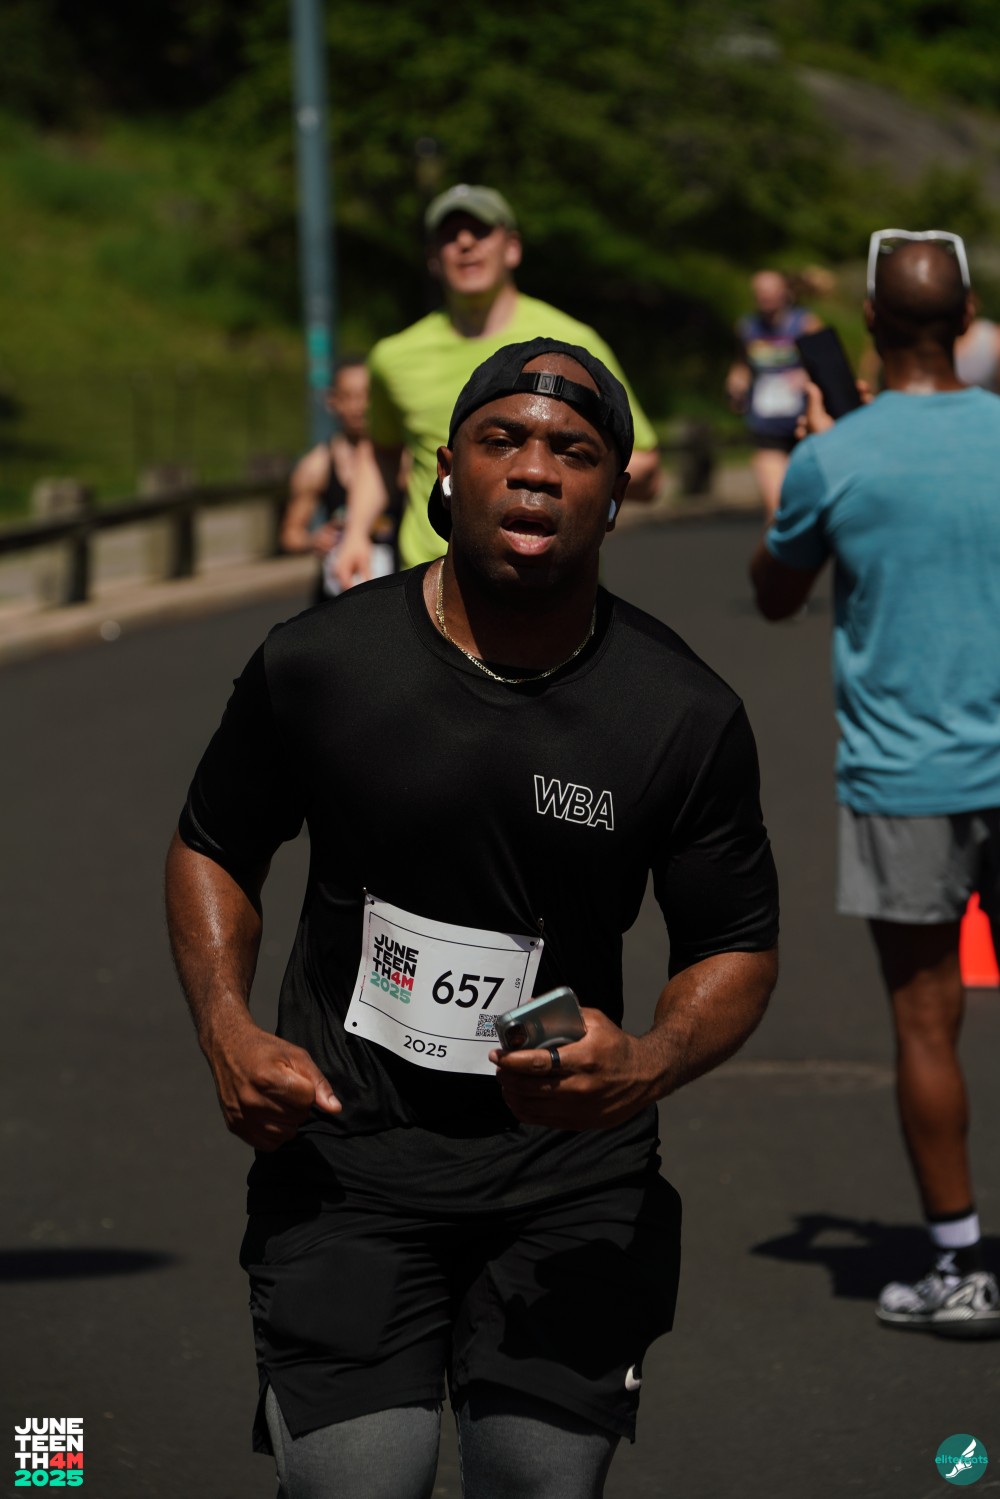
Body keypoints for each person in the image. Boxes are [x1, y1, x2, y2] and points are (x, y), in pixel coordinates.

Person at [166, 336, 780, 1498]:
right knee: (360, 1481)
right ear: (444, 469)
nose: (535, 468)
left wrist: (647, 1061)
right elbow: (214, 843)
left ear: (616, 492)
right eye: (503, 439)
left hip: (571, 1175)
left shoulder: (681, 712)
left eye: (574, 451)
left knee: (537, 1477)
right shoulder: (322, 662)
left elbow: (733, 944)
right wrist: (225, 1026)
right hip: (347, 1161)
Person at [750, 232, 1000, 1337]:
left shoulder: (835, 458)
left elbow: (775, 592)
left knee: (925, 1020)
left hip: (906, 775)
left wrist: (819, 457)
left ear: (866, 319)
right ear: (967, 315)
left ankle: (960, 1265)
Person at [332, 183, 662, 589]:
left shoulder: (573, 346)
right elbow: (381, 451)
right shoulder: (392, 357)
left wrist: (559, 479)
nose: (465, 243)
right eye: (450, 236)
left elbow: (644, 466)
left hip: (550, 584)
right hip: (431, 580)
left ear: (512, 248)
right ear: (434, 258)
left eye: (481, 231)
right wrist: (355, 534)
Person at [280, 358, 400, 601]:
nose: (359, 406)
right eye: (349, 396)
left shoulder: (403, 458)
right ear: (333, 401)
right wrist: (313, 540)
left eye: (367, 395)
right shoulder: (317, 465)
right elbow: (290, 535)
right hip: (337, 596)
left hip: (397, 592)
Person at [726, 270, 820, 521]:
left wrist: (806, 374)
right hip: (767, 425)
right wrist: (737, 382)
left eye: (770, 292)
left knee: (811, 510)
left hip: (804, 427)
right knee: (777, 513)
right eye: (760, 293)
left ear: (785, 292)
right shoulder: (747, 327)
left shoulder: (805, 323)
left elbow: (827, 367)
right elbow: (743, 364)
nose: (765, 297)